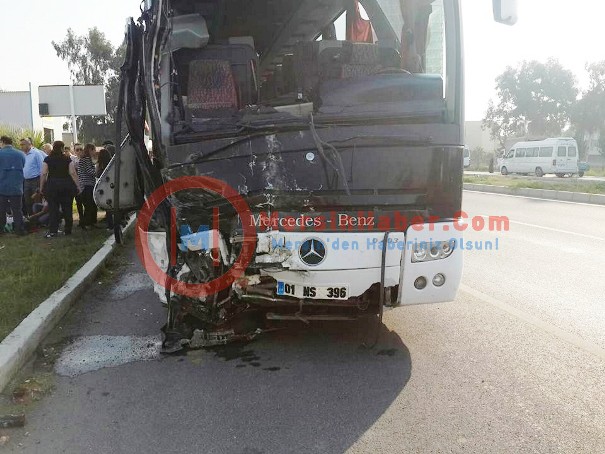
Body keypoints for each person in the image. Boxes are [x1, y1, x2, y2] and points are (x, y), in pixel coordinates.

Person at [39, 141, 81, 238]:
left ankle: (53, 231)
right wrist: (78, 186)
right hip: (66, 186)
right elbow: (73, 173)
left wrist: (41, 187)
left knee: (53, 209)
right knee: (67, 208)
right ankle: (68, 230)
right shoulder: (67, 159)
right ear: (62, 148)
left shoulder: (47, 159)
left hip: (52, 186)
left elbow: (44, 173)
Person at [0, 136, 26, 235]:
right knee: (17, 210)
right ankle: (19, 230)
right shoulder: (20, 154)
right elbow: (23, 165)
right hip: (16, 186)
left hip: (2, 186)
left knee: (1, 210)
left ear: (2, 142)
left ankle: (1, 230)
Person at [19, 138, 46, 216]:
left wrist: (41, 184)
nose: (21, 146)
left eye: (23, 144)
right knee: (27, 200)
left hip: (36, 180)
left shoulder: (36, 153)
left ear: (29, 144)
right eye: (20, 145)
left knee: (36, 200)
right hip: (26, 181)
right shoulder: (23, 154)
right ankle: (31, 219)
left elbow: (42, 169)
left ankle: (38, 219)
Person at [78, 143, 98, 229]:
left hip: (87, 184)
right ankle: (87, 223)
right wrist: (97, 168)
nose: (95, 152)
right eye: (94, 150)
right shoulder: (86, 159)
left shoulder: (85, 159)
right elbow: (90, 171)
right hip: (87, 185)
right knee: (89, 205)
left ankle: (90, 222)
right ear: (90, 150)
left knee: (90, 204)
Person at [96, 147, 114, 230]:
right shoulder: (112, 164)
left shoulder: (99, 166)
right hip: (112, 186)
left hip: (103, 188)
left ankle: (110, 224)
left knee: (108, 206)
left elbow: (97, 175)